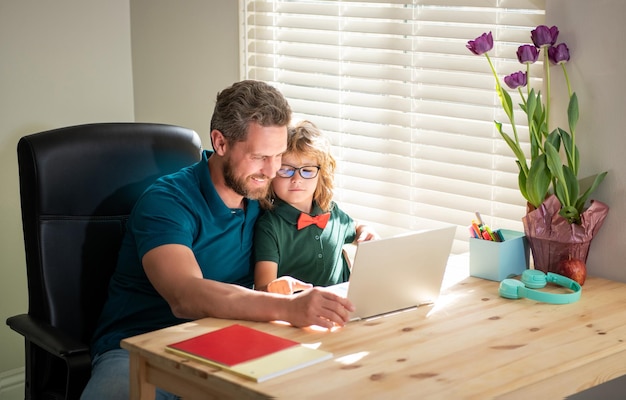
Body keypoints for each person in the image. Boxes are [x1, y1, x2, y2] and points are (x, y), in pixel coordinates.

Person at [80, 81, 354, 400]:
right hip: (140, 345)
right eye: (259, 157)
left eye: (278, 156)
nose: (272, 170)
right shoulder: (166, 202)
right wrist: (287, 308)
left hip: (232, 339)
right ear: (220, 143)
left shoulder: (265, 195)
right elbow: (185, 295)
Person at [253, 120, 379, 295]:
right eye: (286, 170)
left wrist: (365, 230)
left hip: (344, 307)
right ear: (272, 174)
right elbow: (262, 288)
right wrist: (275, 288)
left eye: (307, 170)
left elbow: (355, 228)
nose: (297, 179)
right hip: (296, 313)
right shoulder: (269, 226)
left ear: (321, 175)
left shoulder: (331, 212)